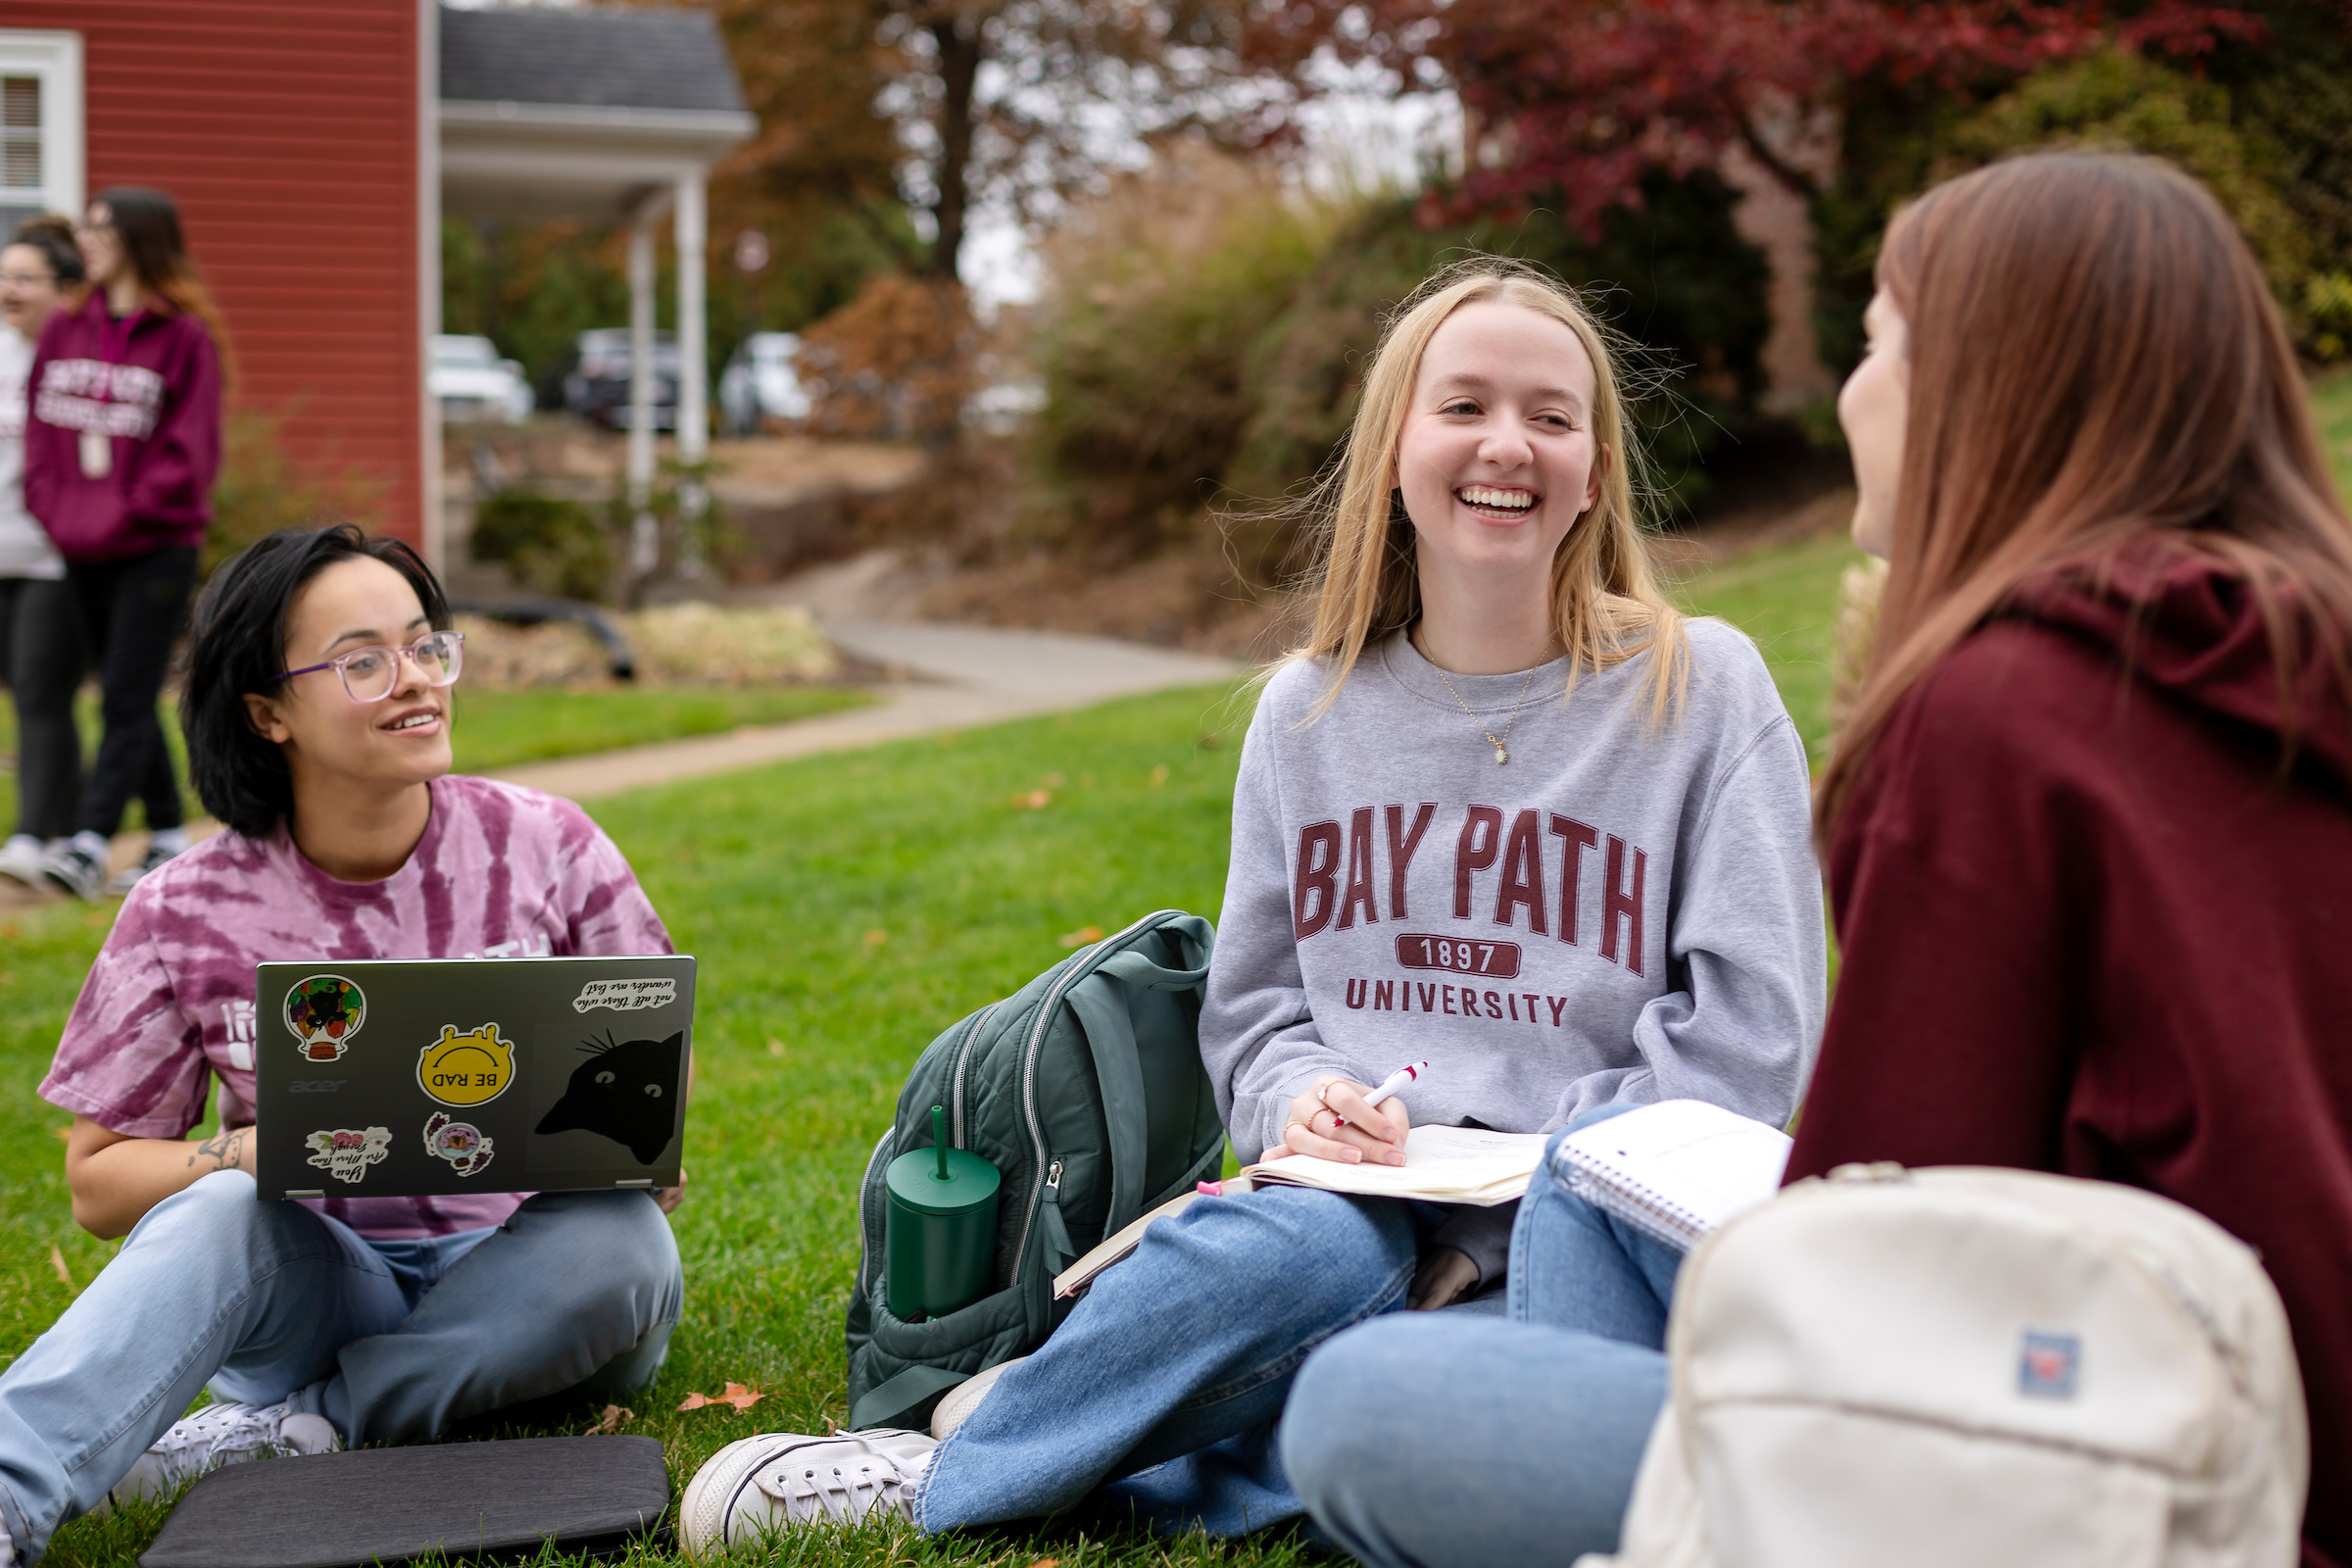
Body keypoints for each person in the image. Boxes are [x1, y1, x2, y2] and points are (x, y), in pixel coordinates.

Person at [1277, 151, 2352, 1568]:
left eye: (1878, 344)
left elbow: (1885, 1231)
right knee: (1598, 1178)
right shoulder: (2299, 658)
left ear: (1989, 390)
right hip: (2268, 1421)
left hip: (2099, 1463)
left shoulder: (2004, 716)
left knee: (1364, 1406)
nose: (1852, 393)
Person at [673, 260, 1827, 1553]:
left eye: (1552, 417)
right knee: (1312, 1262)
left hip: (1583, 1233)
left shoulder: (1700, 690)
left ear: (1597, 471)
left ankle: (1077, 1428)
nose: (1509, 444)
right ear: (1394, 453)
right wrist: (1301, 1100)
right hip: (1331, 1213)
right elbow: (1259, 1013)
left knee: (1397, 1406)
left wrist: (1503, 1208)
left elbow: (1751, 1043)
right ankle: (952, 1471)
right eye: (1464, 407)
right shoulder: (1307, 713)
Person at [0, 524, 686, 1568]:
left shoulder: (548, 843)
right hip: (322, 1281)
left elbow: (654, 1079)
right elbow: (97, 1184)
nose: (416, 681)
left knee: (624, 1239)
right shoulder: (182, 907)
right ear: (266, 711)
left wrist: (629, 1144)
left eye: (425, 645)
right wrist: (251, 1151)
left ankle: (303, 1425)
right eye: (362, 660)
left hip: (532, 1282)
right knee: (222, 1207)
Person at [23, 186, 223, 900]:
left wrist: (122, 512)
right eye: (85, 228)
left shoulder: (185, 337)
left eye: (101, 229)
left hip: (154, 548)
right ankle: (166, 830)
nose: (86, 241)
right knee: (121, 692)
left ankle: (89, 841)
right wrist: (54, 507)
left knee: (126, 696)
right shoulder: (64, 327)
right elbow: (40, 430)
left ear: (141, 239)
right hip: (77, 544)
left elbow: (191, 452)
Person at [0, 218, 84, 888]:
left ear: (62, 289)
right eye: (3, 276)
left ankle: (32, 835)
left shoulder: (72, 359)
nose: (9, 289)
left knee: (38, 690)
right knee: (24, 689)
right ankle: (72, 814)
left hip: (50, 556)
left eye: (25, 278)